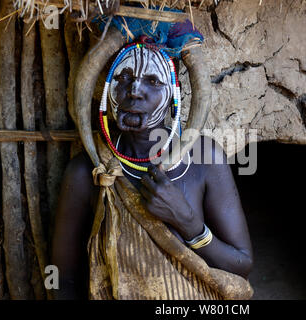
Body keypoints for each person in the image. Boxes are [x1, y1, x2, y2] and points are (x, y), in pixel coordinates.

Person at [52, 17, 253, 300]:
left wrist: (188, 223)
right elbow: (64, 280)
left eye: (152, 80)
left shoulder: (204, 158)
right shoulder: (90, 172)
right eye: (123, 77)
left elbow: (242, 266)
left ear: (173, 93)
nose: (134, 90)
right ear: (107, 89)